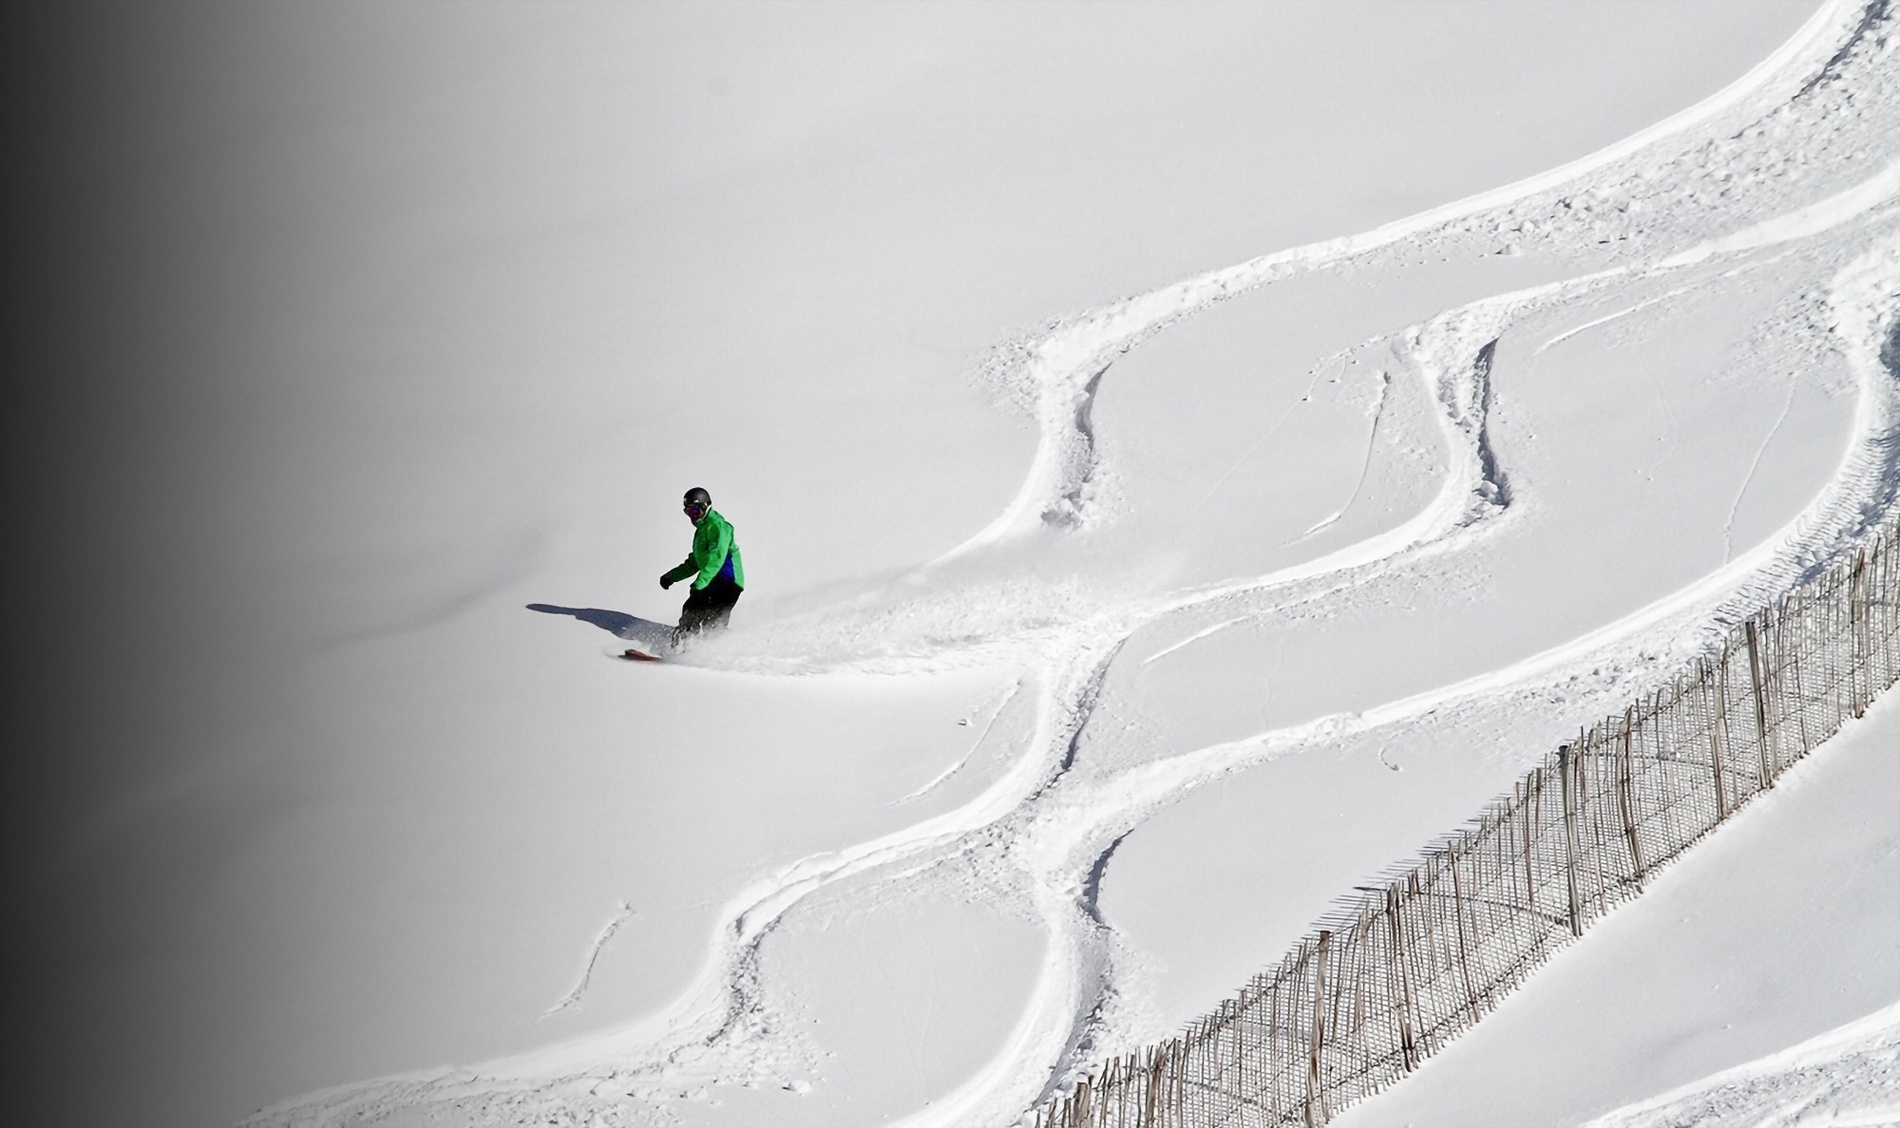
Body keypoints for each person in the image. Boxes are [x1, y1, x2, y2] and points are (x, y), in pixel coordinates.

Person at [660, 487, 745, 641]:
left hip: (727, 581)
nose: (693, 516)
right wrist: (671, 577)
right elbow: (694, 563)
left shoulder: (717, 525)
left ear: (706, 507)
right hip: (715, 580)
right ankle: (693, 647)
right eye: (688, 512)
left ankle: (682, 646)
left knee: (698, 611)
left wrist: (700, 584)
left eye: (695, 511)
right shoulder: (702, 531)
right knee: (702, 616)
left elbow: (716, 559)